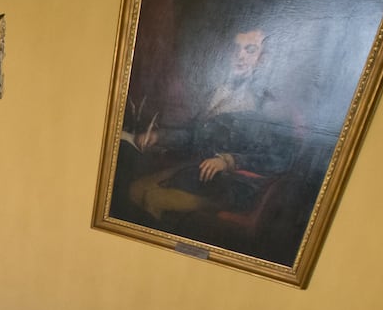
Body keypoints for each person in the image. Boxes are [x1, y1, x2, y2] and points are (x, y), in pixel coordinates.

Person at [123, 27, 299, 225]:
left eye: (250, 50)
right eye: (236, 49)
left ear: (263, 59)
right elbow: (193, 135)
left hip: (236, 185)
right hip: (200, 173)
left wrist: (229, 160)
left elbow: (281, 159)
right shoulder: (218, 92)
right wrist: (161, 136)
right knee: (136, 190)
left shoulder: (271, 107)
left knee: (154, 198)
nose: (240, 56)